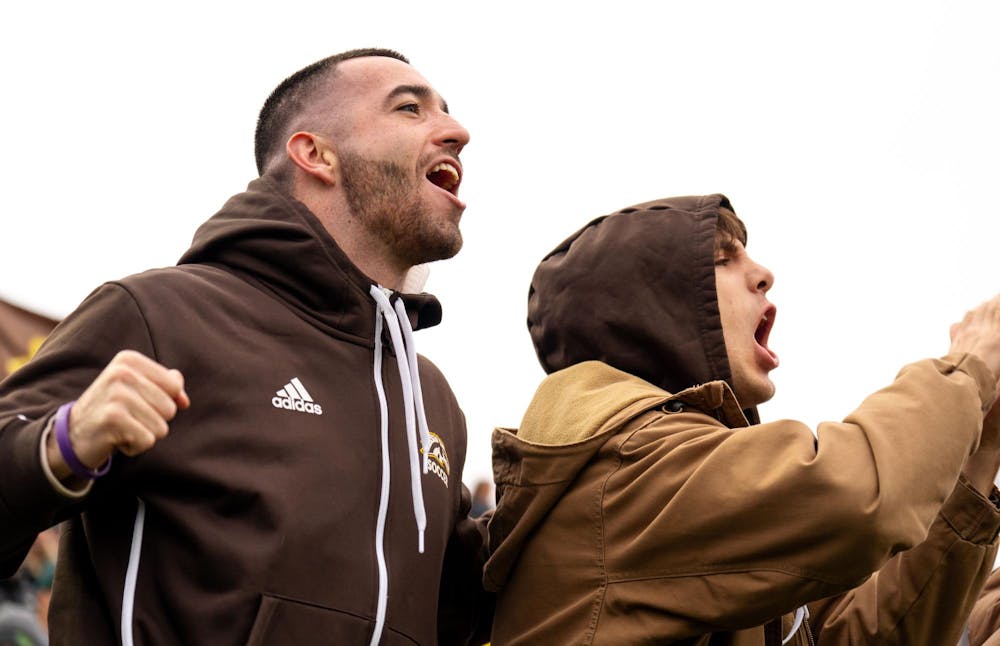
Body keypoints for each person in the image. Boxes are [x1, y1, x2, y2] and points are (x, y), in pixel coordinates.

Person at [0, 48, 492, 645]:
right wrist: (62, 446)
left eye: (447, 111)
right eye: (410, 108)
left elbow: (468, 615)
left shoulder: (430, 397)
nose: (457, 132)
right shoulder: (160, 315)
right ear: (315, 154)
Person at [483, 194, 1000, 645]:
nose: (763, 274)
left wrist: (981, 453)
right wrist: (968, 366)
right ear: (653, 310)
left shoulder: (692, 476)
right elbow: (855, 500)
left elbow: (863, 635)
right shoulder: (628, 467)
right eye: (722, 260)